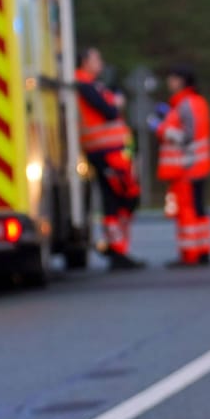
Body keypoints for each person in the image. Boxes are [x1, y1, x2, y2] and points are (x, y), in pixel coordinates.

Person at [75, 46, 141, 270]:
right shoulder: (84, 85)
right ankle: (116, 250)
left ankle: (118, 248)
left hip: (113, 153)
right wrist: (115, 102)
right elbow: (110, 111)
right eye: (96, 58)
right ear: (84, 62)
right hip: (106, 154)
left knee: (122, 200)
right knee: (117, 200)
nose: (100, 62)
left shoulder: (93, 85)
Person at [155, 63, 210, 267]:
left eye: (172, 78)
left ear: (181, 80)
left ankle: (190, 254)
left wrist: (162, 130)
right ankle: (203, 250)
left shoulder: (186, 104)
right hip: (197, 165)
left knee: (187, 211)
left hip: (187, 166)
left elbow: (189, 135)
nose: (169, 82)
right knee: (198, 210)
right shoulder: (194, 102)